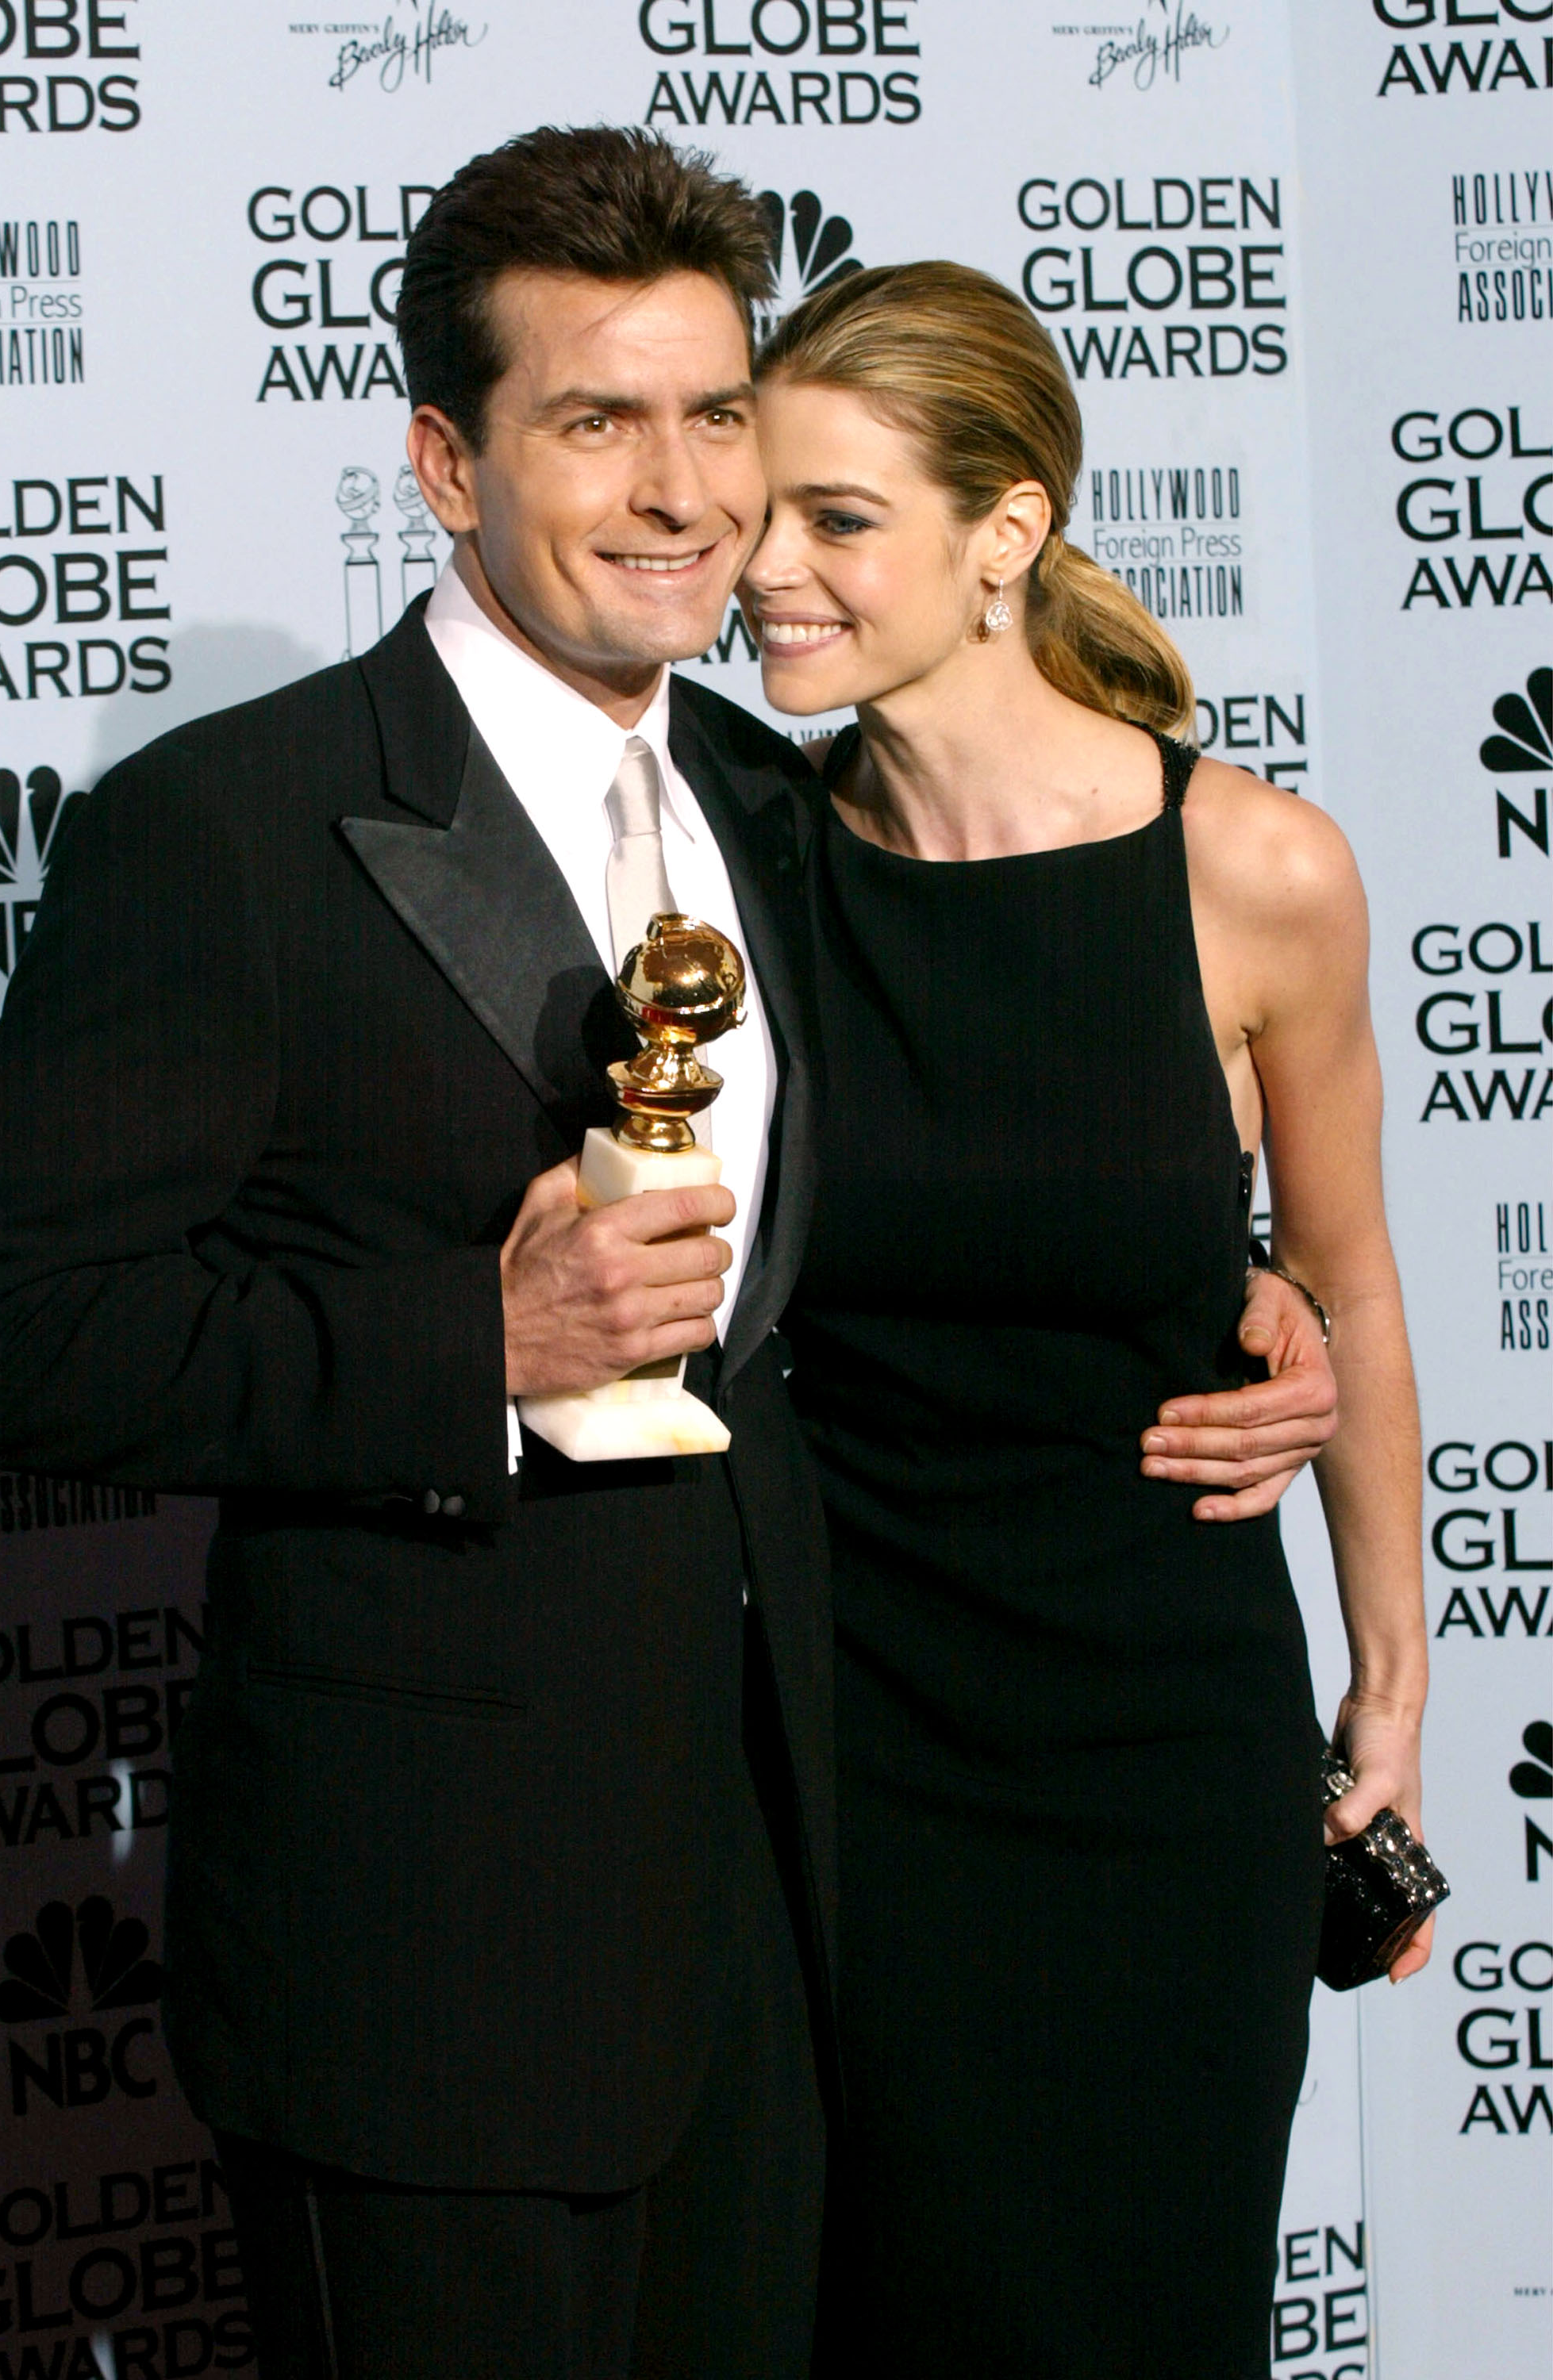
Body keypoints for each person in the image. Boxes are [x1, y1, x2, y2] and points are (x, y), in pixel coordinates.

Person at [0, 134, 1338, 2380]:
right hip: (435, 1955)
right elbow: (8, 1348)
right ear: (444, 462)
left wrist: (1235, 1304)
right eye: (598, 420)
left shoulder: (792, 811)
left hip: (792, 1933)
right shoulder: (233, 826)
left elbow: (961, 1191)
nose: (687, 491)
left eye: (716, 417)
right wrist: (468, 1339)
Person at [743, 259, 1432, 2378]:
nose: (766, 569)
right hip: (840, 1762)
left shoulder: (1254, 874)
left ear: (1005, 535)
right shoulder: (732, 860)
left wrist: (1391, 1693)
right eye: (755, 512)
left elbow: (1355, 1285)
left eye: (836, 520)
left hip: (1160, 1765)